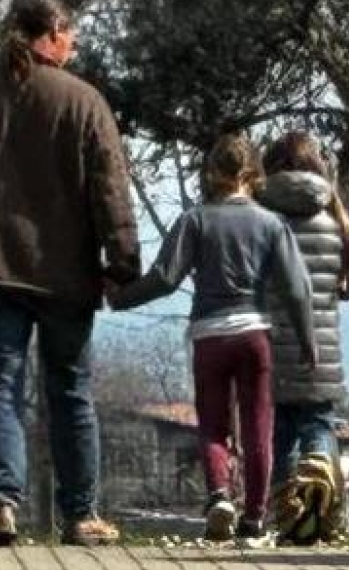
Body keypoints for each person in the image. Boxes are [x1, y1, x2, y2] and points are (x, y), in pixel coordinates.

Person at [0, 0, 141, 548]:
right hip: (66, 271)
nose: (75, 46)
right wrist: (122, 261)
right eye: (71, 36)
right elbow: (109, 188)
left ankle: (0, 502)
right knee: (69, 389)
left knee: (0, 384)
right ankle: (80, 514)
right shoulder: (84, 102)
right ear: (52, 35)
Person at [107, 133, 316, 545]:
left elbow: (165, 278)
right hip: (255, 334)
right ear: (253, 173)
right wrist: (307, 338)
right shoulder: (271, 224)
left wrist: (121, 298)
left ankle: (219, 495)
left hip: (210, 336)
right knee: (258, 427)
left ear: (212, 173)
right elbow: (297, 288)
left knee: (213, 424)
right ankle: (254, 518)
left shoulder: (195, 220)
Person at [260, 131, 349, 544]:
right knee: (318, 422)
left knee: (279, 434)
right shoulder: (337, 219)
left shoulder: (261, 217)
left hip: (269, 345)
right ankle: (320, 471)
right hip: (321, 348)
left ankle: (290, 518)